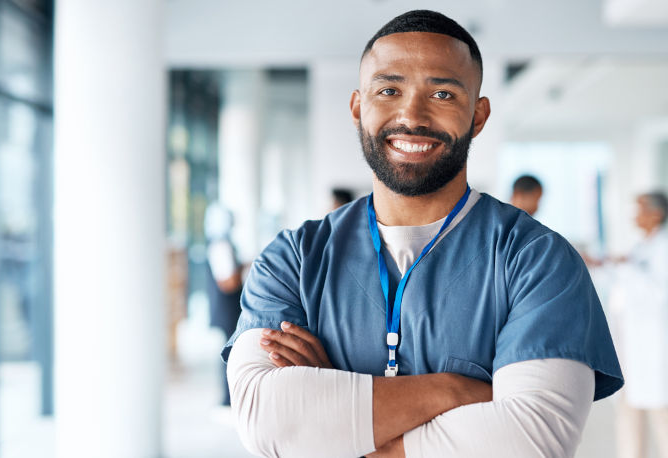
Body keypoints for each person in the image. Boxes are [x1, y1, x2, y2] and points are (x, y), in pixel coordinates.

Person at [222, 10, 623, 457]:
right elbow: (266, 420)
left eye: (443, 93)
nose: (412, 115)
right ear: (358, 108)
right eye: (389, 90)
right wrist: (452, 391)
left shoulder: (536, 259)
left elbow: (530, 441)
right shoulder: (294, 259)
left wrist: (338, 416)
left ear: (478, 115)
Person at [604, 192, 668, 458]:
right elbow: (626, 283)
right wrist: (610, 264)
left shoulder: (665, 247)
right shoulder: (642, 245)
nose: (635, 214)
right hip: (632, 345)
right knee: (628, 414)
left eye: (640, 209)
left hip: (654, 348)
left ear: (657, 214)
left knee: (665, 419)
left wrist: (627, 267)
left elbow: (661, 293)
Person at [204, 202, 243, 406]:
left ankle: (229, 397)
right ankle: (228, 398)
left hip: (225, 309)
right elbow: (228, 282)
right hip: (227, 309)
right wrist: (245, 270)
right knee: (229, 352)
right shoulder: (221, 246)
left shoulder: (220, 243)